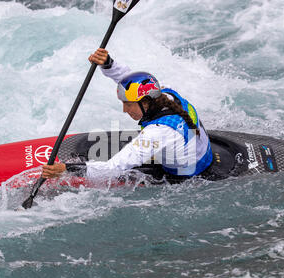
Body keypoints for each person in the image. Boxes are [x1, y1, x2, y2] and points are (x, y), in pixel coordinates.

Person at [42, 48, 214, 182]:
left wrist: (66, 170)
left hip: (188, 174)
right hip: (199, 150)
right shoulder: (166, 94)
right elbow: (132, 81)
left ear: (146, 102)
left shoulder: (158, 132)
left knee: (126, 161)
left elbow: (112, 168)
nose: (125, 110)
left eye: (128, 104)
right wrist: (108, 63)